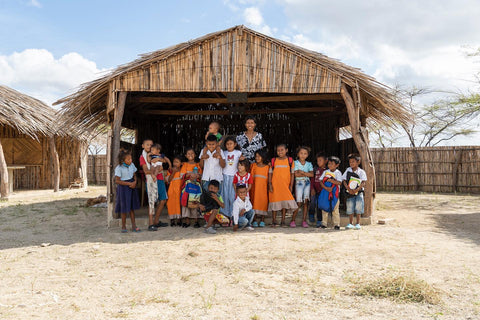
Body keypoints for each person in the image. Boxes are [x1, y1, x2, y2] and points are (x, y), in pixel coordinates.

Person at [139, 139, 168, 231]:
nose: (149, 146)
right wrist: (155, 170)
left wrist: (160, 161)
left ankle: (156, 221)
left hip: (160, 179)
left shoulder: (156, 155)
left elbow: (163, 163)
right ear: (142, 146)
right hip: (151, 180)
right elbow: (146, 171)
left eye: (151, 145)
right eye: (147, 145)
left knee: (163, 200)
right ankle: (151, 223)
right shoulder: (143, 157)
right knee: (152, 201)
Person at [268, 144, 298, 227]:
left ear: (286, 150)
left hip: (285, 186)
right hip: (275, 185)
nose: (280, 152)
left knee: (284, 204)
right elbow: (270, 173)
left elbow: (292, 174)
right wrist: (270, 184)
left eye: (282, 150)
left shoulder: (290, 161)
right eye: (278, 150)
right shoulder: (274, 160)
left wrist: (291, 185)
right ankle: (274, 221)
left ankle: (283, 221)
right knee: (274, 203)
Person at [114, 150, 140, 233]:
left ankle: (133, 226)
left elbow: (135, 175)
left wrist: (135, 182)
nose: (130, 160)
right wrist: (129, 183)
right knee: (124, 208)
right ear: (123, 160)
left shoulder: (132, 165)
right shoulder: (119, 168)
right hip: (124, 188)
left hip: (132, 187)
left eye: (131, 158)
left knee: (132, 208)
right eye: (128, 159)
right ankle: (123, 226)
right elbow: (117, 181)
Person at [342, 153, 367, 230]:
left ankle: (358, 223)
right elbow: (344, 180)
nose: (351, 163)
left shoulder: (361, 172)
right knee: (350, 205)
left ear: (358, 162)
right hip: (349, 192)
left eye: (353, 161)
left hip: (359, 192)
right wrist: (348, 189)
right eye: (350, 162)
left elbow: (363, 182)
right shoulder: (348, 170)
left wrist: (357, 189)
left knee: (359, 205)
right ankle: (350, 223)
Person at [290, 146, 314, 228]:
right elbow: (296, 174)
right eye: (301, 153)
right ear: (298, 154)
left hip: (307, 183)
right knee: (298, 202)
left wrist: (302, 172)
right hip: (299, 183)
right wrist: (306, 173)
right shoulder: (295, 163)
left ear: (307, 155)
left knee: (306, 202)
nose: (303, 155)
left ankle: (304, 221)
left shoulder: (309, 164)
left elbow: (312, 174)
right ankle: (293, 220)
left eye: (305, 153)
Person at [318, 156, 343, 230]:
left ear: (337, 165)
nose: (330, 165)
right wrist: (326, 188)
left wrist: (331, 181)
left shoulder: (338, 173)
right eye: (329, 164)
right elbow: (321, 181)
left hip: (335, 194)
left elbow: (339, 183)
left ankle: (336, 224)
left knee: (335, 209)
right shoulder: (326, 172)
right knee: (324, 208)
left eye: (332, 164)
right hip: (326, 192)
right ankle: (324, 224)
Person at [222, 136, 243, 218]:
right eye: (227, 144)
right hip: (225, 175)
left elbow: (242, 162)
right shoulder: (224, 153)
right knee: (225, 195)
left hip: (234, 176)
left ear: (235, 144)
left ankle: (233, 214)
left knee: (232, 196)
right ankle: (225, 214)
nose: (229, 145)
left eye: (231, 144)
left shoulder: (238, 153)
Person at [250, 149, 269, 228]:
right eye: (256, 156)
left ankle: (262, 220)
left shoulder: (267, 167)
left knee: (263, 203)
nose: (257, 158)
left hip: (263, 189)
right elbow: (250, 177)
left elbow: (269, 179)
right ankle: (254, 220)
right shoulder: (253, 165)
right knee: (253, 203)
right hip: (254, 188)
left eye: (259, 156)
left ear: (263, 157)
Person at [310, 153, 328, 228]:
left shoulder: (327, 171)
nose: (318, 162)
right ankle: (311, 214)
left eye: (320, 160)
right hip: (315, 190)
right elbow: (312, 180)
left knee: (319, 206)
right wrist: (312, 189)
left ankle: (319, 220)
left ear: (326, 161)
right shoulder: (315, 169)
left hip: (323, 192)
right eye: (317, 161)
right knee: (313, 202)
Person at [166, 156, 183, 226]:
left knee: (179, 204)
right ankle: (172, 220)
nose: (175, 164)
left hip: (179, 190)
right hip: (172, 190)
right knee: (171, 204)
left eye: (177, 162)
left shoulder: (182, 170)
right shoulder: (170, 170)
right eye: (174, 162)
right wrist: (173, 172)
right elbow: (169, 180)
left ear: (181, 163)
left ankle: (179, 219)